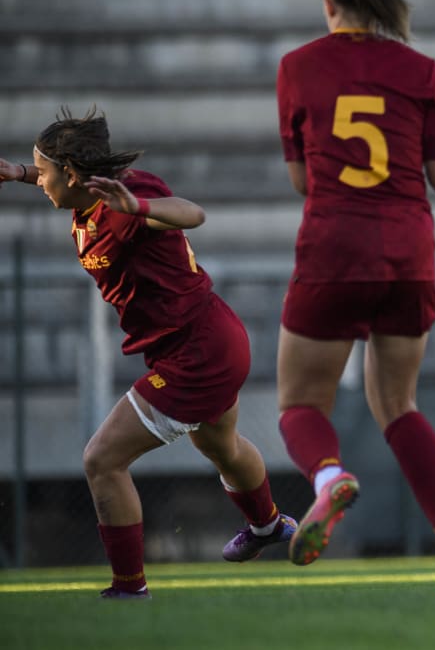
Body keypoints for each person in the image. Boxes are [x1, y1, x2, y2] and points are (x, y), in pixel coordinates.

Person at [0, 108, 295, 600]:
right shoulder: (89, 196)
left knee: (101, 460)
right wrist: (19, 174)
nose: (40, 179)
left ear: (71, 174)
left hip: (197, 352)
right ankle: (267, 527)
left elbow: (192, 213)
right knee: (220, 447)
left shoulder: (123, 203)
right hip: (210, 338)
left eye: (43, 171)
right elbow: (60, 181)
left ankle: (129, 589)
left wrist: (138, 207)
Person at [273, 0, 435, 588]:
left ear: (329, 4)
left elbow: (302, 181)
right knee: (398, 403)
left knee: (299, 403)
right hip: (407, 250)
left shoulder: (298, 67)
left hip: (335, 244)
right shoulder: (422, 70)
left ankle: (330, 478)